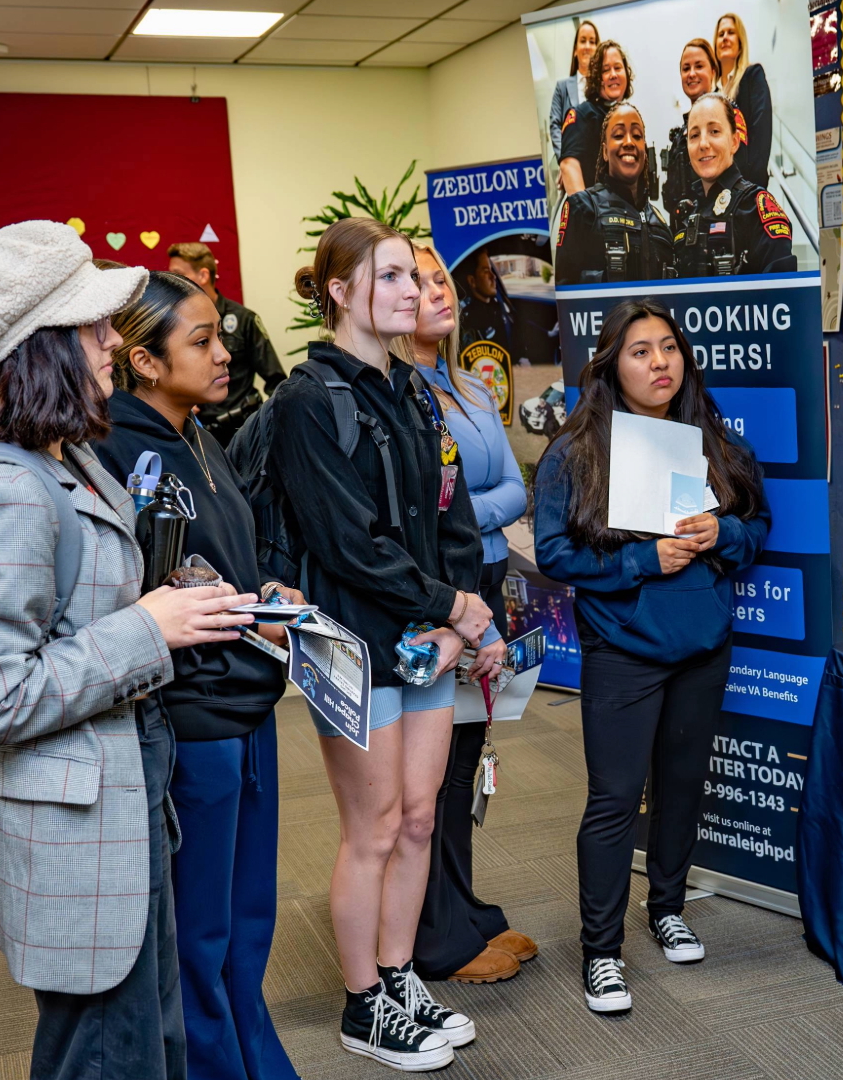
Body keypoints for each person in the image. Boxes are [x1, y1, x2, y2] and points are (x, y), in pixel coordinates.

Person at [0, 220, 259, 1080]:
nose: (114, 339)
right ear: (41, 346)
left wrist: (171, 596)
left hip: (123, 807)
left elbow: (75, 613)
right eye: (93, 324)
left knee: (149, 1045)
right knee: (108, 1057)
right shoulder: (2, 487)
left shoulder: (64, 458)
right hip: (78, 835)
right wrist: (149, 628)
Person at [268, 217, 493, 1071]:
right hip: (353, 645)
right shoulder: (306, 401)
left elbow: (451, 514)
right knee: (374, 826)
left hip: (425, 637)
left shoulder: (414, 390)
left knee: (420, 817)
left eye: (416, 276)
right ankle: (363, 1004)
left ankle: (399, 978)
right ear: (339, 291)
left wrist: (456, 617)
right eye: (391, 276)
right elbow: (347, 543)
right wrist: (451, 606)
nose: (413, 292)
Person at [532, 298, 771, 1015]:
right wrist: (642, 560)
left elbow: (757, 526)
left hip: (704, 647)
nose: (661, 362)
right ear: (612, 366)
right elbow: (554, 555)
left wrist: (723, 536)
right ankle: (602, 952)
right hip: (624, 653)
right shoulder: (576, 451)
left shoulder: (715, 442)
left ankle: (667, 908)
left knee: (683, 788)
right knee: (613, 802)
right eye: (641, 351)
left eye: (669, 347)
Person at [94, 270, 303, 1080]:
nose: (225, 354)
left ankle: (256, 1058)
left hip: (249, 704)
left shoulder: (202, 436)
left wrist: (267, 592)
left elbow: (216, 564)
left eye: (221, 337)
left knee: (248, 921)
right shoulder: (114, 450)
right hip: (191, 717)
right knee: (198, 931)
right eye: (202, 340)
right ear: (144, 361)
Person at [398, 244, 539, 986]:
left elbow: (518, 489)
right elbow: (418, 510)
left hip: (484, 579)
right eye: (417, 282)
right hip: (437, 586)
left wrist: (462, 514)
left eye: (440, 279)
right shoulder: (397, 393)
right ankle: (433, 930)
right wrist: (468, 517)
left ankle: (460, 904)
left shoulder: (472, 385)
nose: (437, 292)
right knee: (432, 771)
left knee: (466, 758)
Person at [167, 241, 288, 446]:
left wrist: (274, 428)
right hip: (200, 433)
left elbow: (276, 381)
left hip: (244, 431)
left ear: (203, 275)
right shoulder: (175, 325)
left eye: (179, 275)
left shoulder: (243, 319)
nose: (173, 282)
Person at [675, 93, 797, 277]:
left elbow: (782, 288)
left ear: (734, 142)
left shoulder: (755, 206)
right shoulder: (687, 214)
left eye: (714, 131)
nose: (703, 143)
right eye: (694, 135)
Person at [556, 102, 675, 284]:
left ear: (644, 152)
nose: (629, 142)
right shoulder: (583, 207)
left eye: (637, 136)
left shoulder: (661, 225)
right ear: (605, 152)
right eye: (618, 135)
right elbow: (563, 287)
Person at [559, 39, 634, 196]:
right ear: (596, 77)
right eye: (606, 70)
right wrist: (587, 210)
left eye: (618, 68)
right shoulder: (582, 115)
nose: (613, 75)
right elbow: (568, 166)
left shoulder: (629, 119)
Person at [663, 38, 720, 225]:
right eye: (686, 68)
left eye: (699, 66)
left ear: (713, 71)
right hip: (682, 230)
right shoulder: (681, 134)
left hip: (718, 226)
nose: (692, 74)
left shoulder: (728, 118)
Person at [713, 13, 772, 190]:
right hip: (719, 190)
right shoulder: (712, 95)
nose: (725, 38)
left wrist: (750, 186)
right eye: (721, 34)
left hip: (748, 185)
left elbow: (761, 132)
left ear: (740, 43)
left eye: (731, 32)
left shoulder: (752, 76)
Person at [549, 20, 601, 160]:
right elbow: (555, 126)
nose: (587, 46)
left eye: (592, 42)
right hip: (572, 163)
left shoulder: (603, 88)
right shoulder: (561, 88)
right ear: (575, 50)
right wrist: (565, 160)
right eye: (583, 41)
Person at [457, 247, 517, 357]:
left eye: (491, 270)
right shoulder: (468, 321)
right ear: (472, 281)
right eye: (486, 271)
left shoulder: (497, 305)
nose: (493, 276)